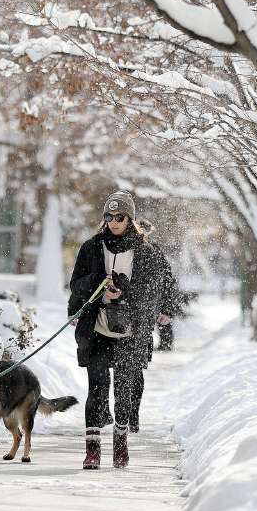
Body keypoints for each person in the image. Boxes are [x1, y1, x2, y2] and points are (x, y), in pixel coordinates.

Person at [69, 190, 179, 469]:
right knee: (96, 386)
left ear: (130, 218)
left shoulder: (147, 252)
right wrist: (95, 286)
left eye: (120, 217)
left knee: (124, 388)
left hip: (132, 329)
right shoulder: (91, 247)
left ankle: (121, 445)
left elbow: (160, 285)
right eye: (109, 216)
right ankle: (92, 450)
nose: (114, 221)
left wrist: (126, 293)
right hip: (97, 326)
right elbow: (76, 284)